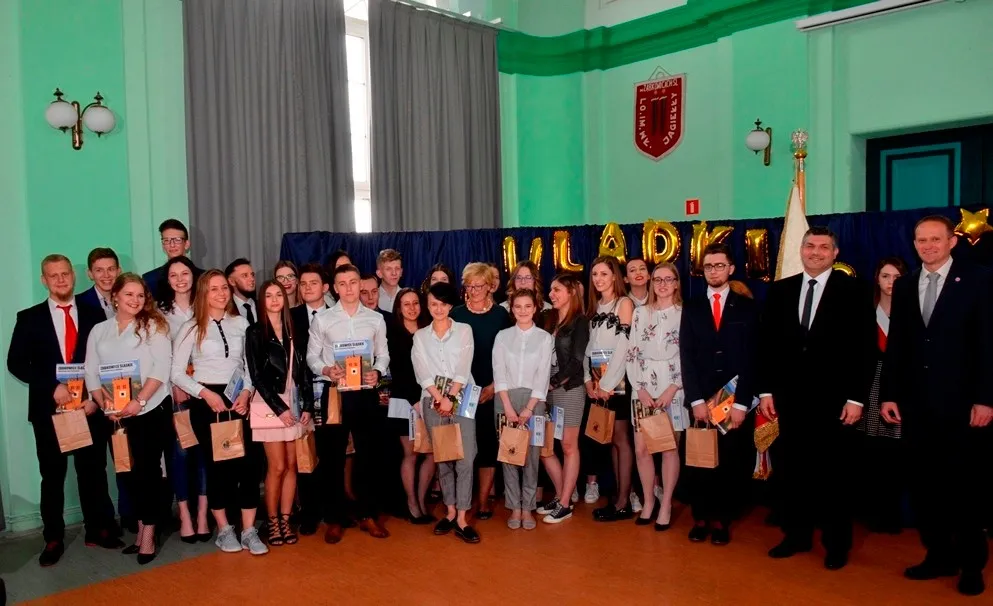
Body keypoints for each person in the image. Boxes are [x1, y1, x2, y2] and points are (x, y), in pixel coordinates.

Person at [880, 215, 993, 596]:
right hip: (917, 408)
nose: (928, 246)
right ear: (914, 244)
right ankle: (939, 555)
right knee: (926, 488)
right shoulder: (906, 284)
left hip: (963, 407)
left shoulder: (979, 279)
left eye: (935, 239)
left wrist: (985, 398)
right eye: (921, 240)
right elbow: (898, 344)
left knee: (965, 489)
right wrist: (890, 393)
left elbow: (988, 343)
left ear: (951, 241)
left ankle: (972, 565)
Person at [757, 226, 874, 571]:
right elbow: (766, 344)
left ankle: (837, 545)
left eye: (824, 247)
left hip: (836, 403)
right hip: (789, 401)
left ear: (835, 253)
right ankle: (796, 535)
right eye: (810, 246)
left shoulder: (854, 291)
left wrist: (857, 398)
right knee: (793, 472)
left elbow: (864, 348)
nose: (816, 252)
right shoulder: (780, 290)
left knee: (834, 476)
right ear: (801, 249)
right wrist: (766, 390)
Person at [7, 255, 124, 566]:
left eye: (64, 274)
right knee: (52, 476)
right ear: (44, 280)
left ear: (74, 276)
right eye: (53, 275)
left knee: (93, 472)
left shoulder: (95, 314)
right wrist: (51, 386)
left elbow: (106, 359)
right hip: (50, 412)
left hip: (89, 408)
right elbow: (15, 363)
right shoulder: (29, 318)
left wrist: (95, 399)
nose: (60, 280)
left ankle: (97, 528)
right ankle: (53, 538)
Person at [171, 270, 268, 556]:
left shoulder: (241, 323)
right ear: (203, 293)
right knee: (218, 469)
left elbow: (250, 365)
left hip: (239, 400)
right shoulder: (190, 327)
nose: (221, 293)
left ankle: (249, 530)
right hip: (208, 403)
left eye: (224, 287)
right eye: (213, 289)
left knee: (249, 466)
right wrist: (204, 393)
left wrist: (247, 392)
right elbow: (176, 373)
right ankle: (224, 529)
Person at [84, 273, 172, 564]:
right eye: (129, 294)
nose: (135, 300)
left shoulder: (155, 326)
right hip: (115, 417)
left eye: (140, 295)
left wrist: (139, 401)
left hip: (149, 411)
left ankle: (148, 533)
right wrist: (103, 404)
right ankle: (141, 528)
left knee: (148, 474)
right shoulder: (99, 330)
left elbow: (161, 368)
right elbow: (91, 371)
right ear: (115, 297)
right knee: (127, 474)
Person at [680, 244, 759, 545]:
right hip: (702, 400)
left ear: (731, 269)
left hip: (733, 399)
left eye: (719, 265)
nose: (714, 271)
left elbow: (753, 357)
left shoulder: (747, 307)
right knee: (700, 462)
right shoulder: (692, 307)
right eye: (709, 266)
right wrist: (696, 400)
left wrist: (742, 403)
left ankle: (722, 521)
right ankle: (701, 519)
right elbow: (687, 355)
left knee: (729, 462)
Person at [307, 264, 391, 543]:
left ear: (360, 284)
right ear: (334, 288)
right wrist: (326, 369)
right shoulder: (323, 319)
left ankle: (368, 515)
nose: (349, 288)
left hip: (365, 392)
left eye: (353, 282)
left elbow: (383, 354)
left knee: (368, 454)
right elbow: (311, 357)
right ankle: (334, 518)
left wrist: (377, 370)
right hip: (335, 393)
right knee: (332, 456)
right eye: (342, 284)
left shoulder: (375, 319)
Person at [246, 279, 314, 547]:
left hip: (294, 401)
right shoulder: (255, 332)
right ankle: (272, 521)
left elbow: (304, 371)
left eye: (278, 295)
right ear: (262, 301)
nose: (274, 300)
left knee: (292, 465)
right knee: (277, 466)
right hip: (269, 403)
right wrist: (279, 409)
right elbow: (257, 376)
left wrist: (307, 405)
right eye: (269, 295)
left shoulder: (294, 329)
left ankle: (286, 520)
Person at [412, 282, 478, 543]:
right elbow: (422, 371)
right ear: (428, 306)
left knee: (466, 458)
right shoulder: (420, 336)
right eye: (433, 304)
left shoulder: (464, 330)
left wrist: (450, 397)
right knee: (444, 459)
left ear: (450, 305)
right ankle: (450, 512)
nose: (438, 309)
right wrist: (440, 398)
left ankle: (462, 517)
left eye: (443, 304)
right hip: (433, 400)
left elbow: (464, 366)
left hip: (462, 398)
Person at [626, 263, 687, 530]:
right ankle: (649, 500)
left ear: (676, 283)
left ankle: (666, 504)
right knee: (642, 448)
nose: (662, 284)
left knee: (669, 447)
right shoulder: (640, 313)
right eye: (658, 279)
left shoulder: (685, 314)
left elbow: (689, 354)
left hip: (673, 387)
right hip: (643, 386)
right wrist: (639, 388)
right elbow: (632, 351)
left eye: (668, 279)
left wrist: (673, 387)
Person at [451, 263, 511, 520]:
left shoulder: (501, 315)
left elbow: (509, 355)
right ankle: (462, 500)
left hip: (491, 389)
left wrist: (495, 386)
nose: (473, 290)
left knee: (488, 445)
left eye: (479, 285)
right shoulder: (455, 314)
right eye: (469, 286)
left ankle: (484, 502)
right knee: (463, 447)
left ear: (490, 286)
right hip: (462, 389)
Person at [157, 256, 209, 543]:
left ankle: (203, 514)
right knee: (181, 454)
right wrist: (174, 385)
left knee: (204, 453)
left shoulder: (206, 305)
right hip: (177, 393)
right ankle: (185, 514)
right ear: (167, 280)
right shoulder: (159, 313)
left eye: (185, 273)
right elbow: (158, 356)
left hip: (206, 391)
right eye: (174, 275)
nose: (180, 279)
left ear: (194, 276)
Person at [493, 289, 554, 530]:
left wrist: (529, 408)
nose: (523, 311)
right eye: (518, 306)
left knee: (532, 457)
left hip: (534, 401)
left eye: (527, 306)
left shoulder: (544, 338)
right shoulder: (502, 336)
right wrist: (508, 407)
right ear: (512, 309)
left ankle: (527, 507)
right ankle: (514, 507)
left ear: (535, 308)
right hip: (506, 399)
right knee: (509, 456)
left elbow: (543, 375)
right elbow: (499, 373)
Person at [856, 256, 908, 535]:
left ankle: (892, 512)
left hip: (899, 385)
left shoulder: (912, 310)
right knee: (868, 447)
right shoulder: (867, 310)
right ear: (877, 278)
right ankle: (867, 510)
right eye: (886, 276)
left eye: (896, 277)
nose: (890, 283)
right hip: (869, 383)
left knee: (895, 451)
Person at [585, 256, 636, 521]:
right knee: (610, 440)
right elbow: (590, 348)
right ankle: (617, 496)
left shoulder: (623, 303)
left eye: (604, 274)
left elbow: (623, 347)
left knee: (620, 438)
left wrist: (607, 384)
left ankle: (624, 501)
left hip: (617, 380)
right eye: (595, 274)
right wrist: (589, 380)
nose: (598, 279)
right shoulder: (595, 307)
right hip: (598, 380)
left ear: (615, 276)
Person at [539, 274, 589, 524]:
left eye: (557, 289)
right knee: (546, 446)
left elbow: (577, 360)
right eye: (551, 289)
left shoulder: (580, 322)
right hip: (546, 389)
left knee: (569, 446)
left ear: (571, 292)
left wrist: (554, 382)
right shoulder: (548, 319)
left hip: (568, 389)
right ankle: (561, 495)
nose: (552, 294)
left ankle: (566, 503)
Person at [386, 288, 435, 524]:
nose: (412, 308)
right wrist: (414, 401)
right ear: (399, 307)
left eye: (416, 303)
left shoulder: (429, 330)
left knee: (432, 453)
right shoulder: (392, 334)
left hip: (429, 397)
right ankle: (412, 503)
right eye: (406, 304)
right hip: (403, 400)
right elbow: (397, 373)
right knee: (411, 453)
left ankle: (422, 499)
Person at [289, 263, 331, 536]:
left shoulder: (338, 315)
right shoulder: (290, 316)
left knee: (330, 449)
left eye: (313, 283)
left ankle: (332, 508)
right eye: (303, 284)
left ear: (325, 287)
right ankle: (309, 511)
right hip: (301, 392)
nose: (307, 288)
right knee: (305, 450)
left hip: (331, 390)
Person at [142, 219, 204, 296]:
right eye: (166, 240)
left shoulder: (204, 277)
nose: (172, 245)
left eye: (177, 240)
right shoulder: (150, 280)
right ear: (163, 245)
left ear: (186, 244)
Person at [78, 248, 121, 319]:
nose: (106, 275)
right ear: (90, 274)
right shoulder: (79, 303)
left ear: (118, 271)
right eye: (99, 270)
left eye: (111, 269)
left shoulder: (130, 299)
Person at [225, 258, 257, 325]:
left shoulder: (264, 305)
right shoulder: (225, 310)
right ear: (231, 281)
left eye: (252, 275)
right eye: (245, 275)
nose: (252, 279)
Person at [376, 249, 403, 313]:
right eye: (388, 269)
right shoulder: (372, 298)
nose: (394, 273)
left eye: (397, 268)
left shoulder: (408, 297)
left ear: (401, 272)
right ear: (379, 273)